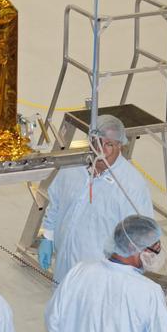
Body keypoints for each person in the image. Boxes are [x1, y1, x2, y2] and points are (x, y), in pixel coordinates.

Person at [38, 113, 153, 284]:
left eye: (109, 144)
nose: (101, 150)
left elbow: (141, 237)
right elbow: (56, 202)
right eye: (96, 142)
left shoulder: (131, 186)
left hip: (101, 279)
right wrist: (48, 236)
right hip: (64, 267)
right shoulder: (72, 166)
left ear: (120, 145)